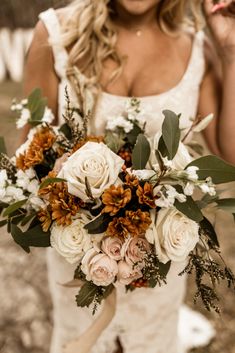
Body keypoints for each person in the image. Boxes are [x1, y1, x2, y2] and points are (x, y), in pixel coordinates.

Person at [23, 0, 235, 352]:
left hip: (157, 269)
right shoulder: (55, 34)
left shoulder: (198, 48)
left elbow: (230, 154)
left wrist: (230, 53)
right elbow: (30, 154)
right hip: (76, 265)